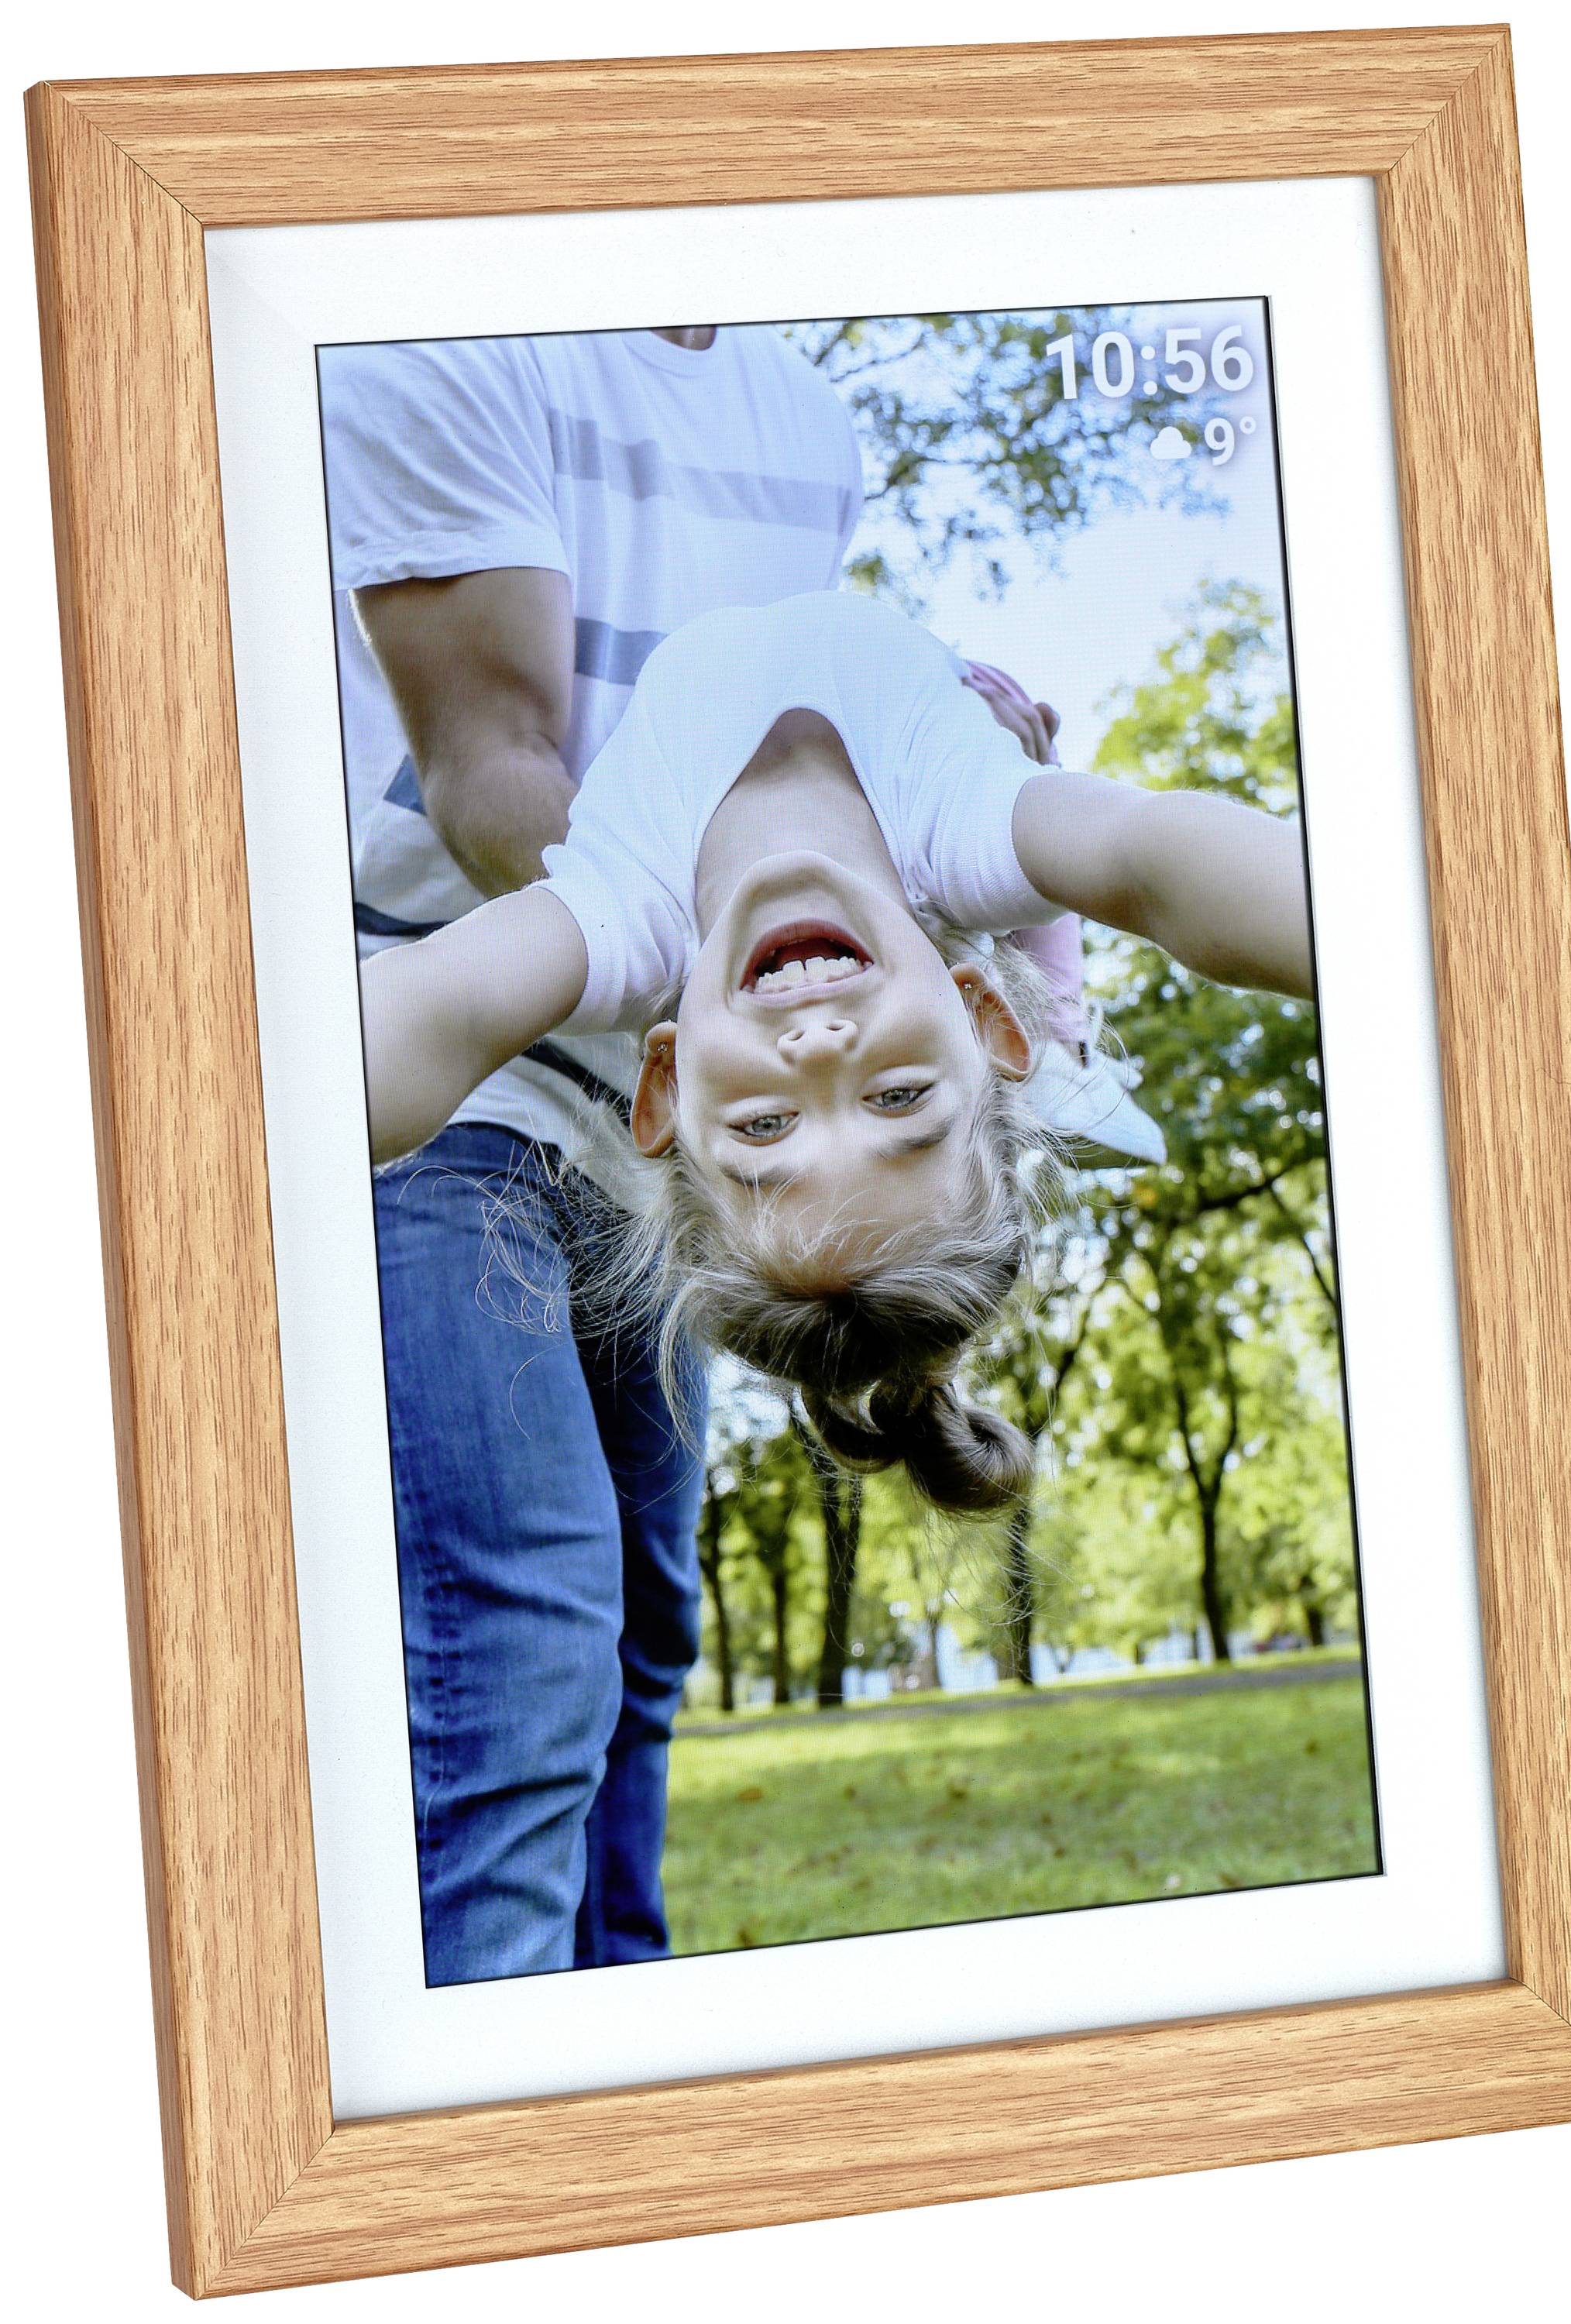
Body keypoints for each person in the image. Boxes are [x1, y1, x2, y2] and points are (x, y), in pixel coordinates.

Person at [321, 324, 868, 1983]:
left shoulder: (813, 422)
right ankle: (470, 2142)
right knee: (525, 1628)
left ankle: (620, 2072)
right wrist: (757, 931)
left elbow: (768, 743)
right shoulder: (458, 339)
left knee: (645, 1629)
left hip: (653, 1121)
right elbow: (495, 777)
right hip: (446, 1059)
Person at [359, 591, 1311, 1514]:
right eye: (899, 1098)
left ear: (667, 1081)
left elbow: (438, 1013)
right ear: (982, 1020)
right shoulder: (967, 827)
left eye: (765, 1125)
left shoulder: (624, 911)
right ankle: (1063, 1044)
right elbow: (1153, 862)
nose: (817, 1050)